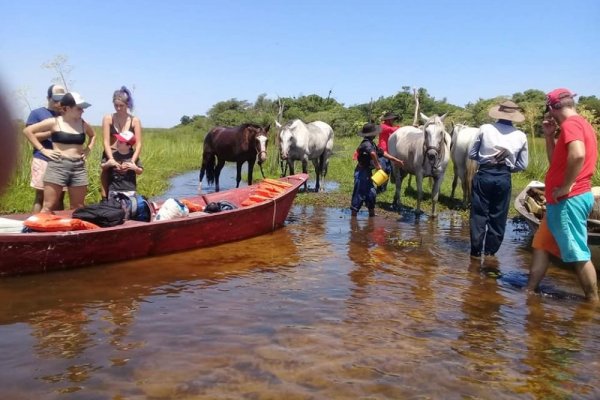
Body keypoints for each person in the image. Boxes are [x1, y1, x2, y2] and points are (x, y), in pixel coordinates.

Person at [526, 88, 599, 302]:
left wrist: (566, 186)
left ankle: (593, 303)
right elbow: (557, 163)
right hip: (560, 202)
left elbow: (578, 155)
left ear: (551, 108)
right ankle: (530, 291)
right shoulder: (580, 124)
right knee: (541, 245)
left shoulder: (572, 125)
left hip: (569, 200)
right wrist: (549, 137)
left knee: (578, 254)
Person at [468, 100, 528, 259]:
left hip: (484, 174)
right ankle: (490, 253)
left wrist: (485, 161)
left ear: (498, 113)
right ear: (514, 117)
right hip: (504, 177)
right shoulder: (521, 136)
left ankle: (475, 253)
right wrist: (506, 168)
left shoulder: (485, 129)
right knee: (498, 215)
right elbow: (522, 164)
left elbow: (472, 154)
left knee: (479, 214)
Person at [22, 92, 96, 213]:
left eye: (83, 108)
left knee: (79, 207)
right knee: (48, 206)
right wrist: (43, 150)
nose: (82, 111)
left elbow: (93, 135)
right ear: (67, 108)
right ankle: (39, 230)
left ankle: (73, 231)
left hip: (78, 167)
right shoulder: (54, 122)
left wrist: (88, 149)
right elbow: (28, 131)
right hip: (58, 165)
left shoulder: (82, 123)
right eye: (79, 108)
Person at [24, 84, 67, 212]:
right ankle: (35, 227)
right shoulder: (36, 113)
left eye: (61, 100)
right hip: (42, 158)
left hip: (61, 160)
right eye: (55, 100)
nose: (58, 103)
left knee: (60, 197)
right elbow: (31, 135)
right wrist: (52, 131)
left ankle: (57, 226)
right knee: (40, 196)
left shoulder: (67, 114)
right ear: (48, 98)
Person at [351, 123, 403, 217]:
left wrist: (396, 160)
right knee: (359, 194)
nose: (376, 134)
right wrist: (377, 164)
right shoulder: (365, 144)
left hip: (367, 172)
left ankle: (372, 215)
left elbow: (382, 153)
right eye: (375, 133)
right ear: (371, 134)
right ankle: (353, 218)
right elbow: (373, 154)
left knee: (371, 193)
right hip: (361, 173)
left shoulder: (372, 144)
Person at [101, 86, 142, 200]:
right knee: (107, 181)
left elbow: (138, 144)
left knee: (126, 182)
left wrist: (132, 162)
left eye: (121, 106)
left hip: (127, 155)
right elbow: (105, 141)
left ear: (127, 104)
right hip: (111, 154)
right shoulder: (108, 118)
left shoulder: (134, 120)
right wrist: (111, 159)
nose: (118, 108)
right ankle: (106, 202)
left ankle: (129, 204)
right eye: (116, 105)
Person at [101, 130, 143, 199]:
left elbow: (140, 171)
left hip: (129, 190)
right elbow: (103, 166)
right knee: (113, 209)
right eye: (118, 140)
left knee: (129, 209)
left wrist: (135, 168)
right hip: (114, 189)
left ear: (129, 145)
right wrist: (108, 164)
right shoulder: (112, 155)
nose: (117, 142)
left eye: (120, 141)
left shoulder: (133, 156)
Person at [377, 112, 401, 192]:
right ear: (388, 119)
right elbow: (394, 129)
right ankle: (379, 189)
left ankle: (383, 189)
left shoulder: (390, 126)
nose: (393, 120)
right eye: (392, 119)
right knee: (382, 170)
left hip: (389, 152)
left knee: (387, 171)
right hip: (382, 152)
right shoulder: (382, 126)